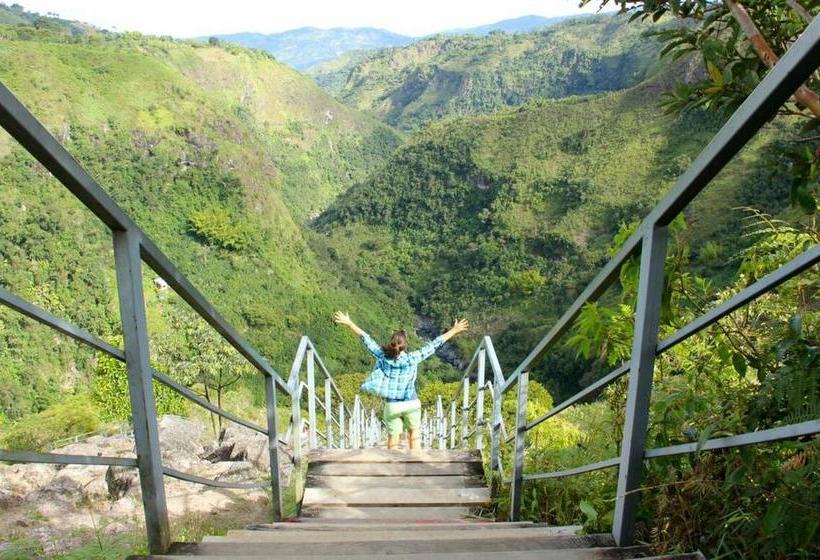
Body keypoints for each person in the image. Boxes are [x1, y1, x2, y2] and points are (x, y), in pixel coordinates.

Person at [334, 311, 469, 450]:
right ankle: (414, 464)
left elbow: (366, 339)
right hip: (411, 402)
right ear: (406, 345)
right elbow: (434, 344)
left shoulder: (382, 356)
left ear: (391, 343)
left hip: (392, 405)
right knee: (414, 435)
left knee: (393, 438)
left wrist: (349, 323)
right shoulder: (413, 358)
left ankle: (393, 466)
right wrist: (455, 330)